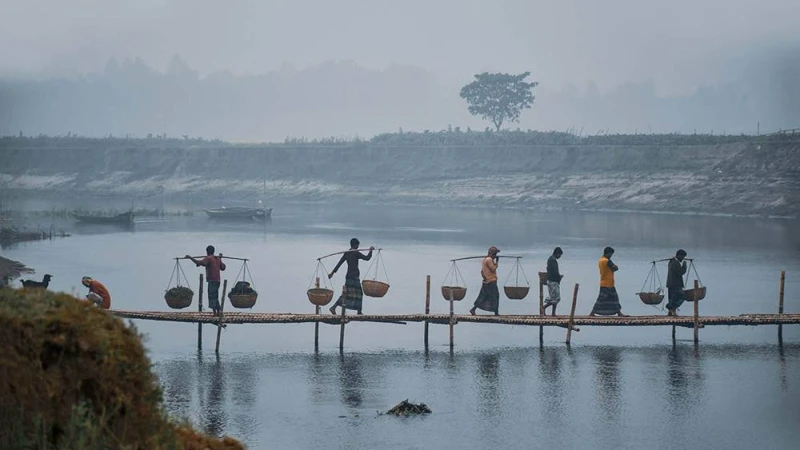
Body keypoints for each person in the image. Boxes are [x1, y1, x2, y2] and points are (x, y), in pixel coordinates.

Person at [328, 238, 374, 315]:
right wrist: (371, 251)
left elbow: (339, 263)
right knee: (359, 294)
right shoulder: (355, 252)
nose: (358, 247)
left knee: (346, 294)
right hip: (354, 276)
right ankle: (359, 311)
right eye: (358, 245)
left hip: (348, 276)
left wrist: (332, 273)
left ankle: (334, 307)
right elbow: (367, 258)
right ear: (355, 245)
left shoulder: (347, 253)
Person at [186, 245, 226, 316]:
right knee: (215, 296)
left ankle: (215, 313)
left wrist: (190, 257)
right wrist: (220, 258)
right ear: (213, 251)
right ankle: (218, 312)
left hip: (212, 280)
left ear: (207, 252)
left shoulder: (208, 258)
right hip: (217, 281)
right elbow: (223, 267)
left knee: (212, 296)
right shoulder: (217, 258)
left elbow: (199, 263)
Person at [589, 247, 628, 317]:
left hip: (605, 282)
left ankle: (619, 313)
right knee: (601, 299)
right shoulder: (607, 261)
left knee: (614, 298)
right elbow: (616, 267)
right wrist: (613, 269)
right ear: (608, 253)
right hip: (607, 283)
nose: (611, 256)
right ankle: (592, 312)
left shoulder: (600, 260)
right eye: (611, 254)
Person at [470, 246, 501, 316]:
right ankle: (496, 312)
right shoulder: (489, 259)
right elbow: (493, 269)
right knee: (495, 295)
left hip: (486, 281)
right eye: (495, 254)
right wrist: (497, 262)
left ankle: (473, 309)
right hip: (491, 281)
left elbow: (482, 271)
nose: (495, 256)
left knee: (483, 296)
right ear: (492, 254)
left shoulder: (485, 259)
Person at [665, 249, 688, 316]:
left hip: (670, 284)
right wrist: (684, 265)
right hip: (675, 284)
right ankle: (670, 307)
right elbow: (681, 272)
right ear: (678, 255)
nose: (683, 258)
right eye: (682, 257)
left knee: (672, 298)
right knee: (682, 297)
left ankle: (670, 311)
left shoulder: (671, 262)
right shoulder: (675, 263)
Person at [542, 247, 564, 316]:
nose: (559, 257)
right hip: (553, 281)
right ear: (557, 253)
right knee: (556, 298)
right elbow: (555, 272)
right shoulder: (553, 260)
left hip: (551, 280)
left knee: (554, 298)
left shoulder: (550, 259)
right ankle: (544, 307)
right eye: (559, 255)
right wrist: (558, 279)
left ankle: (553, 313)